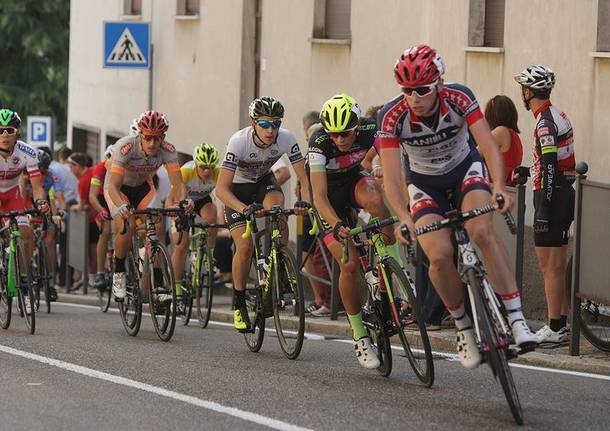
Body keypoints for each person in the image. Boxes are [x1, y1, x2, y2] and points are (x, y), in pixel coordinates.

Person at [378, 45, 537, 369]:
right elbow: (392, 179)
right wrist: (404, 217)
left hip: (465, 171)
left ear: (439, 83)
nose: (414, 98)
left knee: (482, 231)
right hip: (424, 186)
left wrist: (497, 187)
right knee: (438, 255)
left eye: (422, 89)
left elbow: (490, 147)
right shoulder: (391, 116)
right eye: (407, 91)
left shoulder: (460, 98)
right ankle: (463, 327)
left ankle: (517, 319)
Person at [308, 93, 405, 369]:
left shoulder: (369, 128)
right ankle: (360, 335)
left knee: (377, 203)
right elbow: (320, 196)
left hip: (353, 182)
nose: (340, 140)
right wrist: (336, 224)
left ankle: (392, 268)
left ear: (356, 125)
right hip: (328, 199)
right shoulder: (319, 143)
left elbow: (392, 165)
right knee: (348, 263)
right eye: (335, 135)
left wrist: (404, 205)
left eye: (346, 133)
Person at [215, 96, 311, 332]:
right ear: (253, 123)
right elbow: (220, 189)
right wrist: (243, 208)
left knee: (279, 210)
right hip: (236, 191)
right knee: (245, 246)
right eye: (265, 125)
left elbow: (304, 179)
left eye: (276, 124)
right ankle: (238, 302)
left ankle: (280, 263)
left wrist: (305, 203)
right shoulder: (238, 142)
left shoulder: (287, 138)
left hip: (262, 183)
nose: (271, 131)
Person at [514, 65, 576, 344]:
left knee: (548, 265)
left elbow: (551, 165)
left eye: (523, 90)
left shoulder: (543, 123)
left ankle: (554, 326)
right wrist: (531, 169)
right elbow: (551, 161)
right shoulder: (556, 115)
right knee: (557, 263)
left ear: (529, 91)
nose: (522, 94)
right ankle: (560, 322)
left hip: (552, 195)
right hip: (563, 192)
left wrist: (543, 210)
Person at [104, 110, 191, 301]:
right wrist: (122, 208)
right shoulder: (125, 146)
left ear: (163, 138)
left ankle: (158, 284)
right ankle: (118, 274)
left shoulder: (168, 150)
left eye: (157, 139)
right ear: (140, 136)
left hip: (143, 187)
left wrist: (183, 202)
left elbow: (177, 184)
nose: (153, 144)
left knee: (156, 229)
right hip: (119, 189)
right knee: (128, 227)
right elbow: (113, 186)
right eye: (148, 138)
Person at [0, 108, 50, 313]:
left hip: (12, 195)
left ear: (17, 132)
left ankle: (25, 282)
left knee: (25, 233)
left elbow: (37, 187)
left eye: (9, 130)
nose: (4, 135)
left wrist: (41, 203)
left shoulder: (27, 152)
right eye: (0, 130)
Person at [169, 143, 220, 314]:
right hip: (180, 202)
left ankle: (208, 256)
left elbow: (225, 194)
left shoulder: (218, 174)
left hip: (202, 201)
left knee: (212, 217)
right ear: (196, 164)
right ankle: (176, 291)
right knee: (180, 245)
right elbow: (170, 199)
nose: (207, 172)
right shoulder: (186, 172)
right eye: (204, 167)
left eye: (211, 168)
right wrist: (176, 216)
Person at [67, 152, 99, 288]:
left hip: (91, 219)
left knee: (91, 249)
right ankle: (93, 277)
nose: (70, 170)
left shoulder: (83, 180)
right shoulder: (93, 172)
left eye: (71, 166)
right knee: (94, 249)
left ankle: (91, 278)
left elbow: (82, 205)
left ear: (77, 166)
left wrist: (74, 207)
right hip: (99, 215)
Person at [89, 145, 115, 289]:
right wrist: (102, 211)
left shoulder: (122, 168)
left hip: (114, 197)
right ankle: (100, 272)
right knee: (105, 232)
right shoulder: (100, 169)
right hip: (100, 200)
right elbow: (92, 196)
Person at [484, 95, 523, 187]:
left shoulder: (501, 131)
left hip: (495, 191)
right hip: (509, 190)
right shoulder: (514, 136)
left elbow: (474, 153)